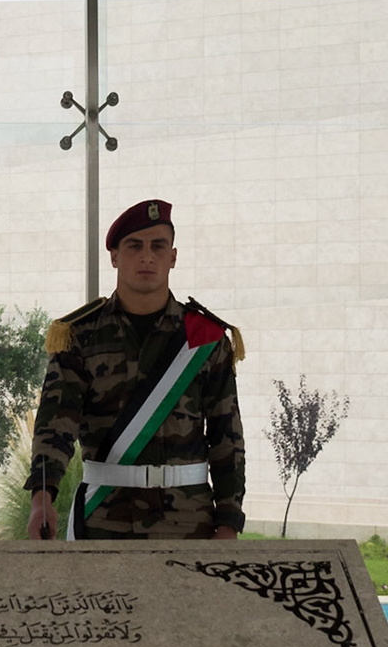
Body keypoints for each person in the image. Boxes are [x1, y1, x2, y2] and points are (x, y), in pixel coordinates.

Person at [25, 199, 246, 541]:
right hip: (105, 519)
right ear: (114, 256)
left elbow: (226, 437)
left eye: (158, 246)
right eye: (134, 246)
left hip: (189, 522)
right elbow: (55, 428)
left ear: (173, 257)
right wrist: (42, 500)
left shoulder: (205, 338)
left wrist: (229, 522)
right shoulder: (79, 336)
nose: (147, 256)